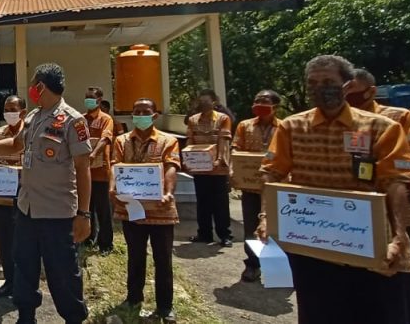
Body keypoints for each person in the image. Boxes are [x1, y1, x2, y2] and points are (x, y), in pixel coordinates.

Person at [258, 55, 410, 324]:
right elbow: (272, 174)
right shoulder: (292, 127)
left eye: (329, 81)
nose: (320, 87)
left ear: (347, 85)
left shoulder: (381, 128)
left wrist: (399, 235)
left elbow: (396, 181)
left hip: (371, 244)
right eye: (313, 83)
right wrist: (265, 218)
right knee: (318, 311)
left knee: (377, 312)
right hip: (312, 244)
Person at [0, 63, 92, 324]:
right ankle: (26, 317)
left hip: (57, 212)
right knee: (24, 266)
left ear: (41, 87)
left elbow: (83, 169)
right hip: (26, 208)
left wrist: (83, 213)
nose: (30, 90)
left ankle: (73, 318)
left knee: (63, 273)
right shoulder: (34, 117)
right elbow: (15, 144)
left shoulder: (73, 120)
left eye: (33, 84)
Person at [347, 69, 410, 324]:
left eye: (353, 95)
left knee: (403, 274)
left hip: (397, 206)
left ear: (371, 91)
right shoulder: (350, 121)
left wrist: (393, 167)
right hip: (363, 206)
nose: (348, 100)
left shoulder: (399, 116)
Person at [108, 98, 180, 323]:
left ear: (155, 115)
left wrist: (168, 191)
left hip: (161, 209)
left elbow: (171, 167)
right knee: (135, 255)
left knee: (163, 259)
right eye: (136, 111)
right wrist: (112, 188)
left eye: (145, 111)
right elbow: (114, 165)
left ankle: (165, 306)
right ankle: (133, 298)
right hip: (131, 209)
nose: (140, 115)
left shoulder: (168, 141)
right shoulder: (121, 141)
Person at [232, 90, 282, 283]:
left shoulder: (285, 127)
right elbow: (236, 148)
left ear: (275, 107)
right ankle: (252, 265)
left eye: (264, 101)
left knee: (277, 227)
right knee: (251, 227)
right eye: (256, 100)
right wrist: (234, 170)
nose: (259, 104)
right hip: (250, 187)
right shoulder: (245, 126)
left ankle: (278, 267)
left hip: (276, 186)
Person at [0, 95, 27, 298]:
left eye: (13, 109)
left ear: (23, 112)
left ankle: (25, 284)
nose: (9, 112)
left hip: (26, 199)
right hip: (1, 198)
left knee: (25, 244)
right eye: (6, 109)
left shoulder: (29, 134)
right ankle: (9, 281)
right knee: (5, 242)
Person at [185, 89, 233, 246]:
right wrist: (187, 159)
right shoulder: (193, 120)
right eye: (201, 102)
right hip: (199, 167)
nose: (203, 105)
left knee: (220, 202)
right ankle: (204, 234)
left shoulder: (223, 119)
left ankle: (225, 235)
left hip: (218, 168)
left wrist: (220, 159)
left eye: (206, 102)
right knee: (202, 201)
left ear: (214, 102)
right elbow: (190, 141)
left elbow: (224, 141)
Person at [83, 86, 116, 255]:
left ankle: (106, 244)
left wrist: (94, 153)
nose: (89, 101)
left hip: (101, 171)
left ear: (99, 100)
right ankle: (87, 239)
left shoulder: (106, 119)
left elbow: (106, 138)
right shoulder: (81, 119)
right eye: (87, 97)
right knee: (86, 208)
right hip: (84, 173)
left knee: (103, 210)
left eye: (92, 98)